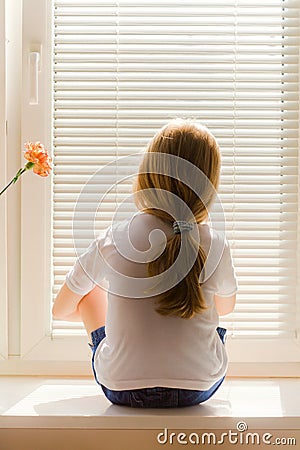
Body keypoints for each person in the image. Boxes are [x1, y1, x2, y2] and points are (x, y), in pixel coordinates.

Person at [52, 119, 238, 408]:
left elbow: (61, 310)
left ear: (147, 174)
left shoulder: (113, 238)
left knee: (90, 293)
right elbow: (225, 309)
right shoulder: (216, 245)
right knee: (209, 319)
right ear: (210, 184)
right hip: (198, 387)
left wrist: (122, 309)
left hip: (122, 388)